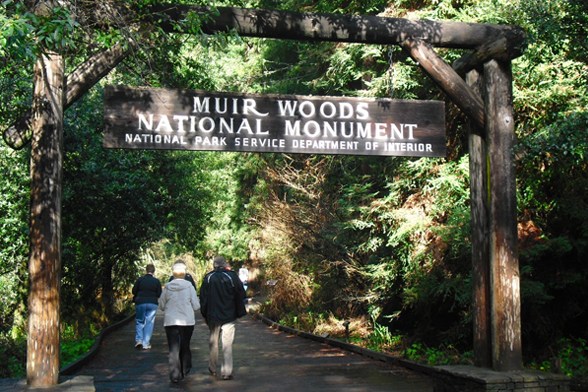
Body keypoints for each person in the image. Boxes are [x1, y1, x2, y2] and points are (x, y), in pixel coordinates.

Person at [199, 255, 247, 380]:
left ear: (214, 265)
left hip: (213, 317)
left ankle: (212, 367)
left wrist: (204, 314)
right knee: (227, 344)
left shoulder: (208, 278)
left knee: (213, 343)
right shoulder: (231, 276)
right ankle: (226, 372)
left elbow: (203, 299)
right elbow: (241, 293)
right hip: (229, 316)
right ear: (225, 264)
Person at [159, 261, 201, 383]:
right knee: (185, 345)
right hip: (187, 321)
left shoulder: (167, 287)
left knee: (173, 348)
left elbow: (161, 305)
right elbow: (196, 306)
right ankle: (185, 368)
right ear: (184, 273)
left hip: (171, 321)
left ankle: (175, 375)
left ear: (173, 273)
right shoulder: (189, 287)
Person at [131, 264, 162, 350]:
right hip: (152, 303)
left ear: (146, 270)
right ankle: (146, 343)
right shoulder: (156, 281)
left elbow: (134, 291)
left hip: (140, 302)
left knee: (140, 321)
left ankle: (139, 340)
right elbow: (159, 294)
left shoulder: (140, 280)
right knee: (149, 322)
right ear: (153, 271)